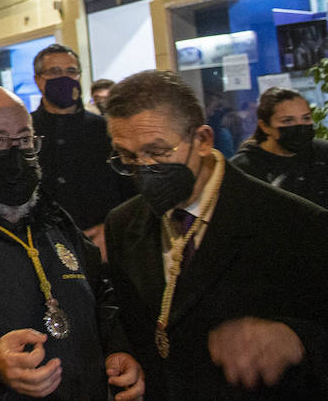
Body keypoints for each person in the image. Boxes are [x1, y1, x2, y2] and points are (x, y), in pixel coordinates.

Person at [104, 70, 328, 398]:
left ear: (203, 140)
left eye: (159, 152)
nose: (143, 168)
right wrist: (122, 354)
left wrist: (296, 340)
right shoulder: (123, 224)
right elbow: (131, 320)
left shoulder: (295, 223)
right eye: (127, 156)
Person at [0, 84, 144, 400]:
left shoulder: (51, 215)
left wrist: (118, 348)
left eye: (24, 139)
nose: (15, 153)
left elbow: (100, 293)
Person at [30, 44, 131, 258]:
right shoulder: (24, 131)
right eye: (55, 72)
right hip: (41, 247)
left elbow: (131, 188)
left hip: (101, 246)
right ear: (38, 80)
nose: (64, 78)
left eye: (71, 71)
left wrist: (111, 228)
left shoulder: (108, 130)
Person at [229, 87, 328, 208]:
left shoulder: (322, 153)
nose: (300, 126)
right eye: (287, 121)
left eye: (306, 118)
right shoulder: (242, 168)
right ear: (265, 126)